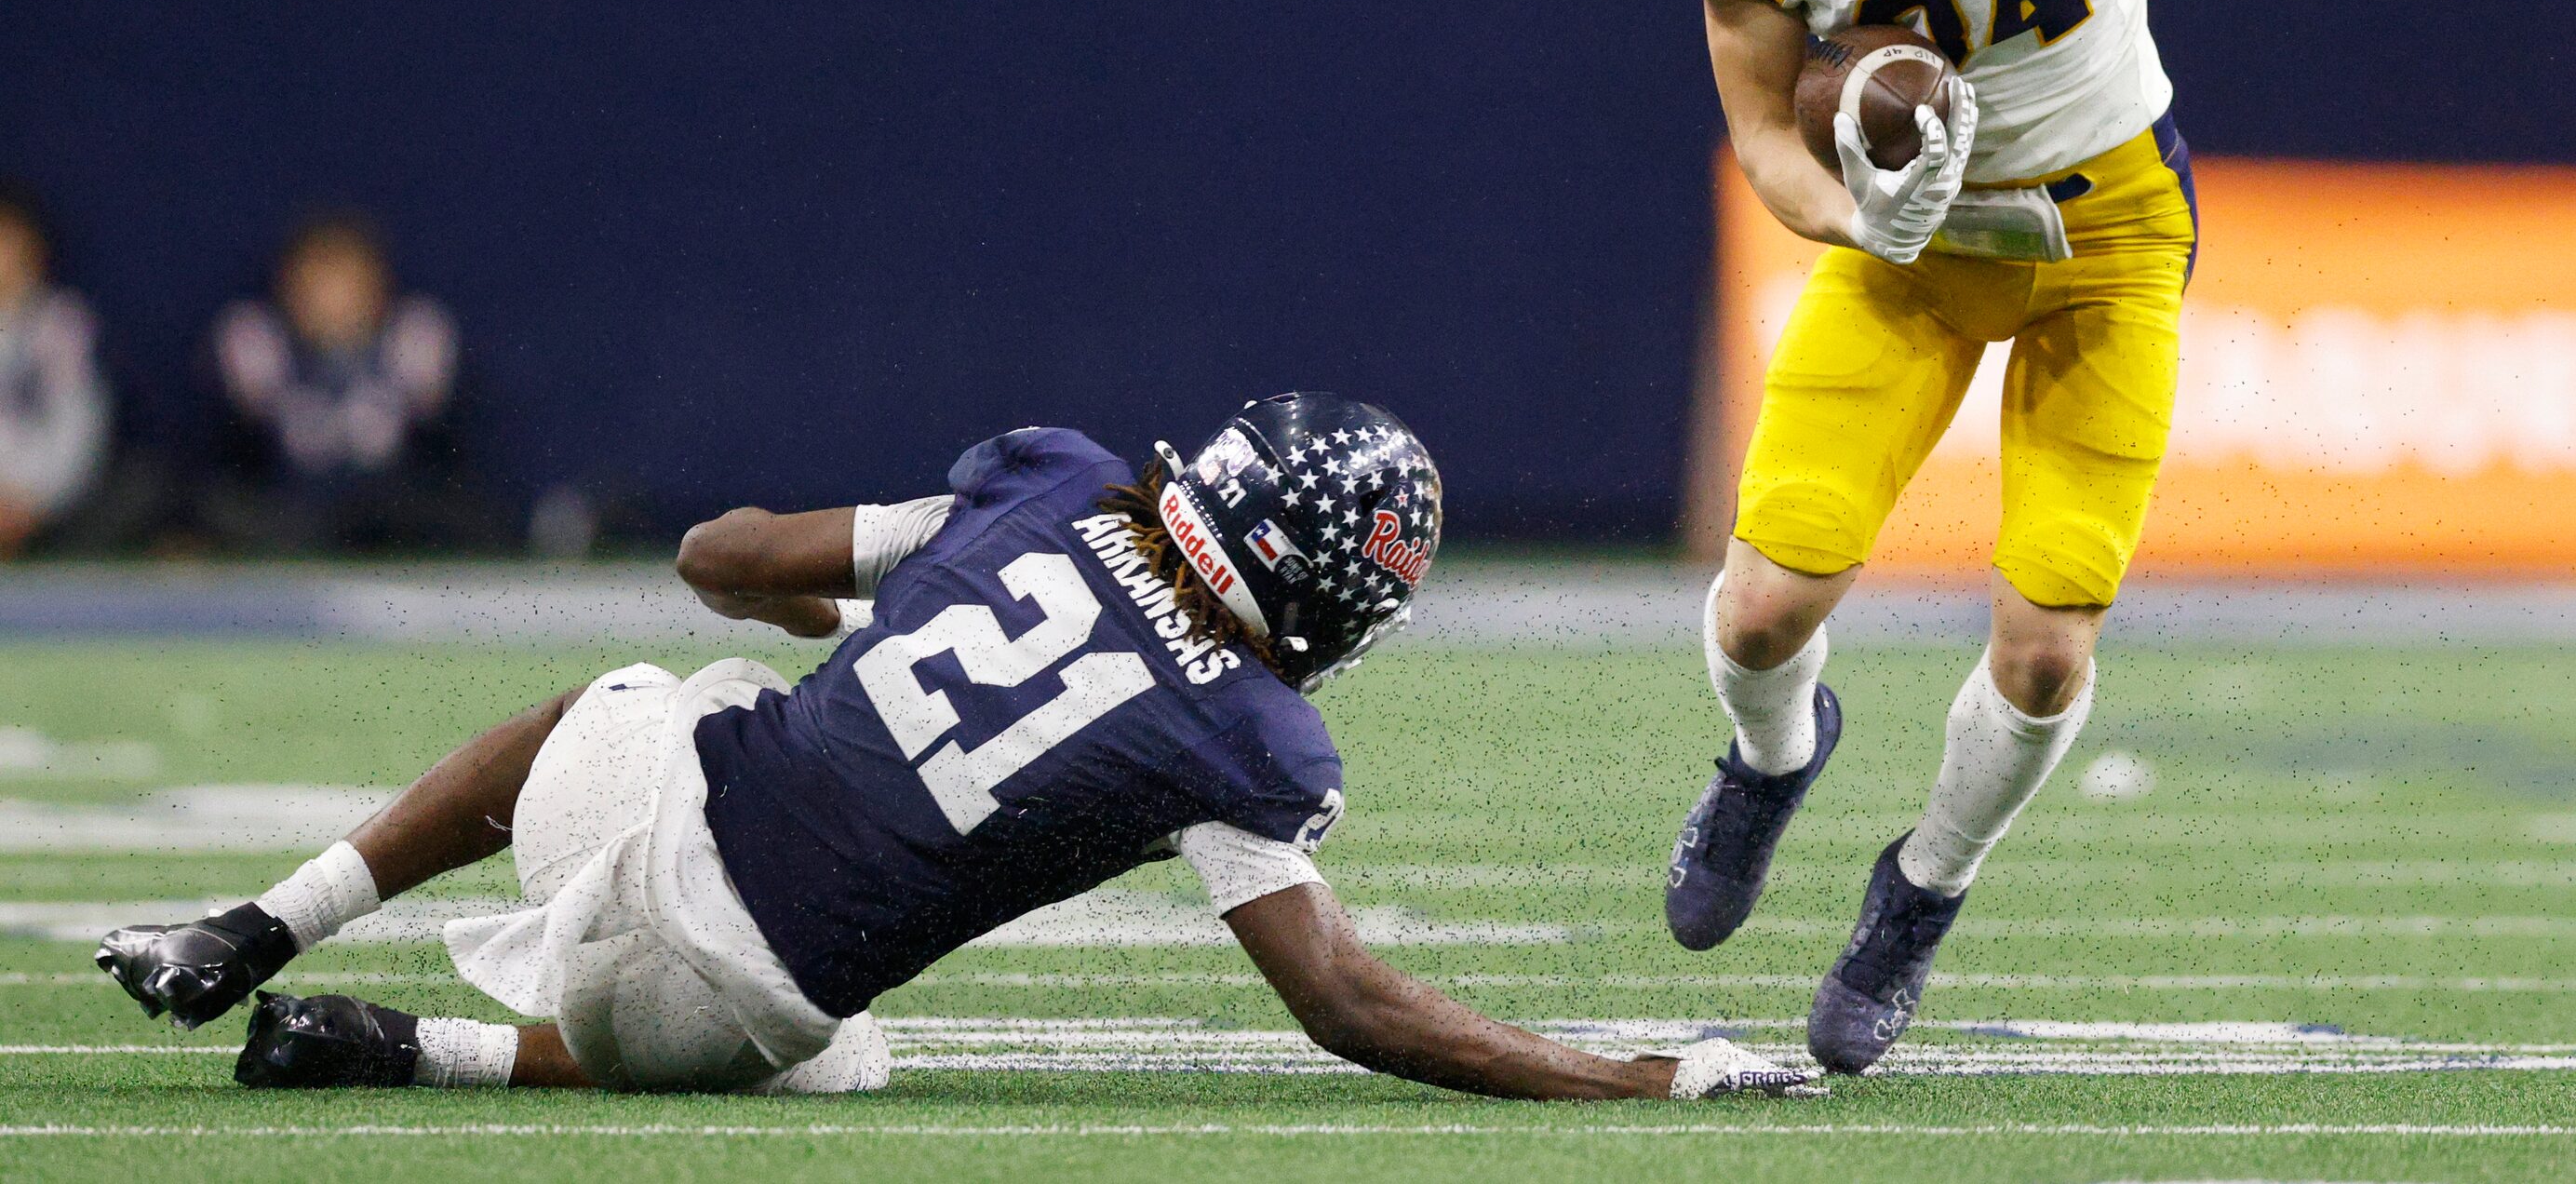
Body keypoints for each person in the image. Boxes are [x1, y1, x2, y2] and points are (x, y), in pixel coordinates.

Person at [101, 394, 1812, 1102]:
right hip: (710, 1021)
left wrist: (862, 602)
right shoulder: (1251, 737)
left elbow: (716, 553)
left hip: (606, 822)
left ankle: (258, 927)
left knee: (618, 700)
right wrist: (1631, 1074)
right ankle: (420, 1053)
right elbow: (1344, 1005)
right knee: (838, 1048)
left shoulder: (1054, 481)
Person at [1624, 0, 2340, 1072]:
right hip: (1918, 249)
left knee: (2042, 648)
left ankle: (1917, 893)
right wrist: (1856, 212)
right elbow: (1761, 131)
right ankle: (1768, 759)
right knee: (1762, 609)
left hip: (2110, 225)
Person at [201, 214, 498, 551]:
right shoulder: (256, 341)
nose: (332, 301)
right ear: (286, 289)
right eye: (315, 286)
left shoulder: (414, 337)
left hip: (394, 511)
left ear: (379, 289)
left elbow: (437, 446)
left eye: (346, 284)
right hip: (289, 510)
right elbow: (242, 453)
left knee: (454, 514)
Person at [0, 183, 161, 556]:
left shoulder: (65, 324)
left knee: (141, 484)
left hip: (45, 511)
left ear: (33, 252)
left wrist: (30, 503)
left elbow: (79, 425)